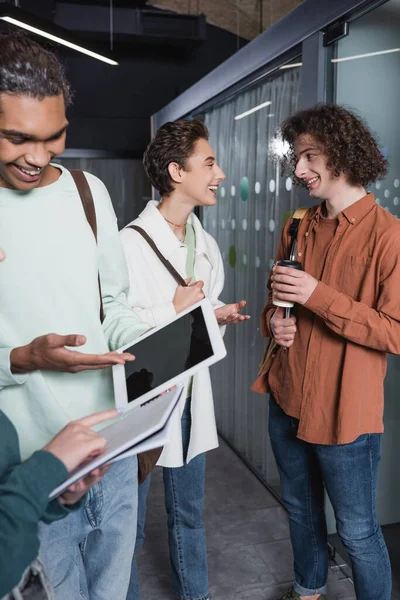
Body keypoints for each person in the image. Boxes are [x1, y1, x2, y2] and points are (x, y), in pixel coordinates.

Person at [0, 33, 150, 599]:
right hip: (30, 468)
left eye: (52, 137)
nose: (37, 158)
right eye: (17, 138)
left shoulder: (89, 193)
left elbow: (113, 305)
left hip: (111, 448)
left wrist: (150, 340)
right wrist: (24, 357)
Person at [252, 103, 398, 600]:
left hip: (344, 415)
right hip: (286, 396)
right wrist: (275, 320)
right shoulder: (297, 224)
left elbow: (394, 332)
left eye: (309, 155)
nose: (298, 170)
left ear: (343, 152)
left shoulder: (390, 236)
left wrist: (317, 295)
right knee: (299, 508)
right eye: (296, 157)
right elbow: (276, 300)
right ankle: (307, 590)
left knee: (357, 531)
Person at [120, 119, 250, 600]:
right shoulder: (128, 244)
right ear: (177, 171)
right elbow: (116, 328)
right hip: (143, 404)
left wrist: (214, 316)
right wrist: (171, 310)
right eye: (209, 162)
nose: (219, 173)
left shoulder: (207, 245)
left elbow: (194, 325)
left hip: (190, 398)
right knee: (125, 529)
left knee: (189, 516)